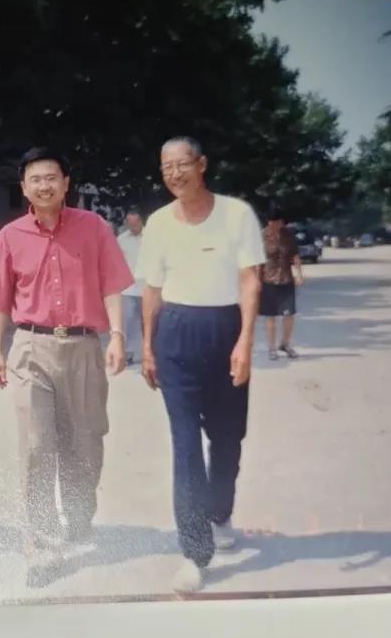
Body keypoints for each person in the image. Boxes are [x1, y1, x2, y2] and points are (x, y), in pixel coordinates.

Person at [0, 147, 133, 587]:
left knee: (84, 443)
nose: (44, 186)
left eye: (51, 178)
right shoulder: (10, 236)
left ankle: (79, 517)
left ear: (66, 184)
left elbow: (113, 284)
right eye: (35, 179)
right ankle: (43, 543)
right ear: (24, 188)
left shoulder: (94, 227)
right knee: (36, 445)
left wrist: (117, 335)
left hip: (83, 347)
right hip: (31, 346)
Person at [138, 136, 265, 595]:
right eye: (166, 167)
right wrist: (148, 346)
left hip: (225, 329)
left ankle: (220, 512)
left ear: (202, 164)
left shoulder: (236, 215)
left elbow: (250, 281)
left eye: (182, 164)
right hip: (176, 334)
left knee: (228, 437)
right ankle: (194, 552)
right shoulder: (157, 223)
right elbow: (152, 290)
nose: (174, 174)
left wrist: (245, 341)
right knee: (186, 444)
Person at [259, 208, 304, 360]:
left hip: (286, 278)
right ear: (269, 222)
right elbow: (256, 261)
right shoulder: (261, 237)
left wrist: (299, 274)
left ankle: (285, 344)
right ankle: (272, 348)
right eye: (276, 223)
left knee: (289, 314)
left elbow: (295, 256)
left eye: (280, 222)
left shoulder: (288, 235)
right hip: (268, 280)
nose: (279, 225)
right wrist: (255, 280)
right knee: (270, 316)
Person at [116, 209, 146, 364]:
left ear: (141, 222)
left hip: (148, 287)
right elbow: (116, 262)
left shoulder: (151, 237)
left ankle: (151, 353)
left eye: (135, 223)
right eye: (130, 224)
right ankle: (128, 353)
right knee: (128, 322)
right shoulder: (121, 239)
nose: (133, 227)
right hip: (128, 288)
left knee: (150, 323)